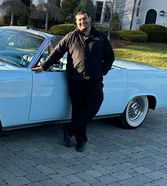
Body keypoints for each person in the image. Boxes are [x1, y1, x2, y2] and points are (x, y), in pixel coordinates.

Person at [32, 11, 115, 152]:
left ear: (89, 19)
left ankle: (69, 129)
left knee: (94, 105)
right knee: (78, 110)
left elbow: (110, 57)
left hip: (94, 81)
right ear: (76, 23)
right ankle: (80, 140)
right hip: (75, 80)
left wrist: (103, 71)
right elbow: (57, 53)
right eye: (79, 20)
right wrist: (44, 66)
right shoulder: (70, 37)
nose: (82, 22)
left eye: (84, 19)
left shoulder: (100, 38)